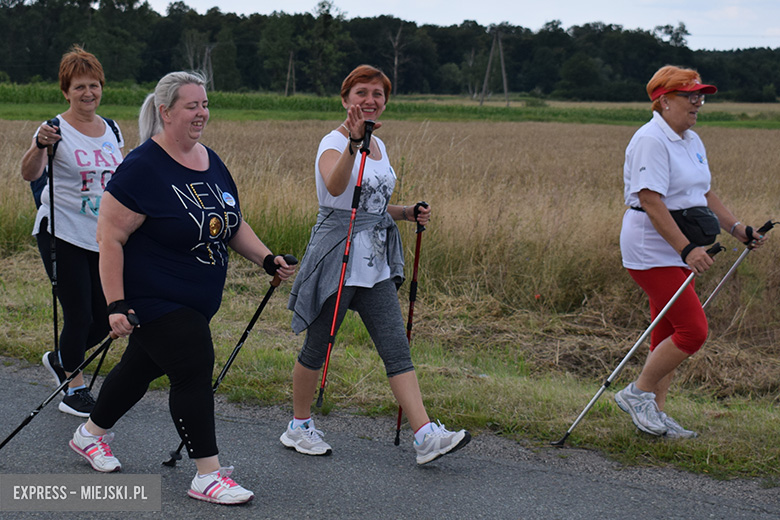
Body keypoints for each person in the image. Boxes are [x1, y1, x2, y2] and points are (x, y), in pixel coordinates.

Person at [68, 71, 295, 505]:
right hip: (152, 296)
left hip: (197, 297)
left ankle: (90, 433)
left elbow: (231, 221)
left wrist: (267, 259)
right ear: (165, 112)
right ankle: (206, 475)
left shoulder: (210, 160)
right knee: (192, 363)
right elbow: (109, 238)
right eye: (192, 106)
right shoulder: (141, 168)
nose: (202, 114)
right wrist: (116, 303)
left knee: (141, 367)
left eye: (205, 105)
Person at [283, 64, 471, 465]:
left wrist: (406, 212)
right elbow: (335, 188)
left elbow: (373, 204)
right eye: (361, 93)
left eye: (378, 94)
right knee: (316, 347)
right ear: (345, 99)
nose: (370, 100)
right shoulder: (332, 142)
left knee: (396, 349)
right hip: (336, 254)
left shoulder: (381, 147)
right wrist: (353, 143)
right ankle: (298, 426)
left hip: (374, 261)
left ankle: (425, 436)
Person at [614, 65, 767, 439]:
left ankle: (654, 414)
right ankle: (637, 394)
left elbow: (704, 194)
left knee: (666, 329)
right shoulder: (651, 140)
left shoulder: (690, 140)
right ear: (664, 101)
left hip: (678, 245)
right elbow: (651, 201)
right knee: (693, 331)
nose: (698, 102)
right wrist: (686, 250)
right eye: (690, 95)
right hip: (652, 248)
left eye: (701, 95)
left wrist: (737, 229)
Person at [20, 45, 123, 417]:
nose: (88, 93)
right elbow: (29, 173)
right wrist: (39, 146)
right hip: (60, 233)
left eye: (94, 85)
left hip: (101, 236)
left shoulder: (111, 129)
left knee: (103, 316)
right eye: (79, 86)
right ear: (66, 91)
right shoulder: (53, 129)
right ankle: (73, 388)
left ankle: (61, 359)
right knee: (78, 314)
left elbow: (119, 180)